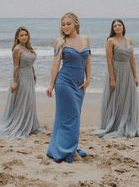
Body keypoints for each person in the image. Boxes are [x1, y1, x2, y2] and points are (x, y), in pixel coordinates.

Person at [46, 12, 91, 163]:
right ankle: (70, 151)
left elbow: (88, 60)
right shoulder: (60, 41)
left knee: (71, 116)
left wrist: (88, 79)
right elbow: (55, 64)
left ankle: (59, 147)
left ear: (76, 23)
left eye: (68, 23)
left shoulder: (86, 39)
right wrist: (51, 85)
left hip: (79, 85)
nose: (65, 26)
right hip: (64, 83)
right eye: (63, 24)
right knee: (72, 117)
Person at [92, 19, 139, 138]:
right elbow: (109, 60)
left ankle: (128, 123)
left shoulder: (128, 40)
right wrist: (112, 79)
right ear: (112, 29)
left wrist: (135, 76)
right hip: (116, 71)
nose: (117, 27)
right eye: (115, 26)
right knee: (116, 98)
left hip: (127, 72)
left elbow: (132, 59)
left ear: (123, 27)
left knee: (127, 98)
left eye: (119, 25)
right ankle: (114, 123)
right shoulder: (110, 41)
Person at [0, 26, 42, 140]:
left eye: (25, 34)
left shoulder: (29, 48)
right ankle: (20, 126)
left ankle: (29, 124)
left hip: (29, 77)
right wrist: (14, 81)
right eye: (21, 35)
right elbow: (15, 67)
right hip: (21, 77)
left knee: (29, 102)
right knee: (23, 101)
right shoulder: (17, 49)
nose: (24, 37)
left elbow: (31, 63)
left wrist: (34, 74)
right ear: (17, 37)